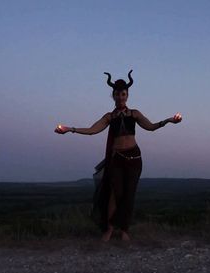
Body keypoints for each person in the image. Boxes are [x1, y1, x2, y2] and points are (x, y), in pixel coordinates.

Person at [54, 70, 182, 241]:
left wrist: (169, 120)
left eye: (123, 94)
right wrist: (70, 129)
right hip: (117, 159)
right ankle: (109, 228)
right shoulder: (109, 117)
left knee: (129, 194)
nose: (120, 97)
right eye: (117, 94)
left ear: (127, 95)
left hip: (134, 158)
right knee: (115, 193)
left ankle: (124, 230)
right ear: (113, 96)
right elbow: (93, 130)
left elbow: (150, 127)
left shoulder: (134, 113)